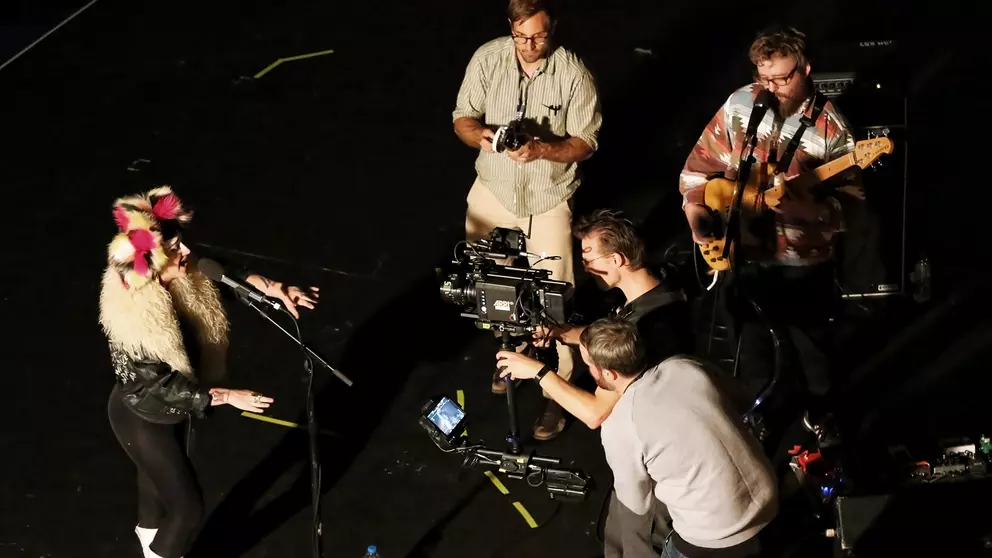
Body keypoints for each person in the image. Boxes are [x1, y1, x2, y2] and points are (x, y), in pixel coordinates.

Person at [99, 186, 319, 558]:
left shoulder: (178, 271)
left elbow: (225, 271)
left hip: (171, 410)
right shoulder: (132, 318)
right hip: (143, 416)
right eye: (174, 250)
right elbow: (163, 386)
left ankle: (149, 543)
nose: (186, 253)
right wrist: (230, 397)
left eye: (181, 244)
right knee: (187, 509)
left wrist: (276, 289)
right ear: (151, 261)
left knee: (154, 487)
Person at [679, 26, 859, 443]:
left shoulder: (832, 131)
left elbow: (850, 211)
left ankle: (821, 416)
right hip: (740, 254)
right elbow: (698, 168)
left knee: (812, 351)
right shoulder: (741, 104)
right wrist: (696, 216)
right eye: (766, 79)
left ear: (806, 67)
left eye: (783, 78)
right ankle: (761, 416)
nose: (773, 89)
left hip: (801, 264)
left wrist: (802, 208)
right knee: (751, 349)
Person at [495, 209, 694, 557]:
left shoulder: (646, 328)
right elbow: (601, 338)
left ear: (616, 258)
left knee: (636, 544)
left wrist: (537, 372)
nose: (585, 266)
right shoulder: (651, 293)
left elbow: (595, 412)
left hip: (656, 469)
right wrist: (559, 332)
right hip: (638, 465)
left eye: (589, 256)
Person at [499, 317, 776, 558]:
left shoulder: (622, 424)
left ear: (607, 374)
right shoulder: (684, 366)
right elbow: (742, 400)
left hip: (717, 535)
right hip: (768, 500)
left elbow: (636, 504)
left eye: (588, 365)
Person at [453, 0, 602, 440]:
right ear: (510, 29)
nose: (530, 45)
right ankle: (514, 353)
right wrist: (480, 136)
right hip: (493, 190)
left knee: (556, 298)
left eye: (538, 36)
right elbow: (462, 117)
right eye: (522, 36)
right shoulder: (487, 58)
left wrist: (542, 150)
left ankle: (563, 389)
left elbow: (586, 142)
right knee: (495, 284)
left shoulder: (574, 74)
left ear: (552, 29)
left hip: (547, 197)